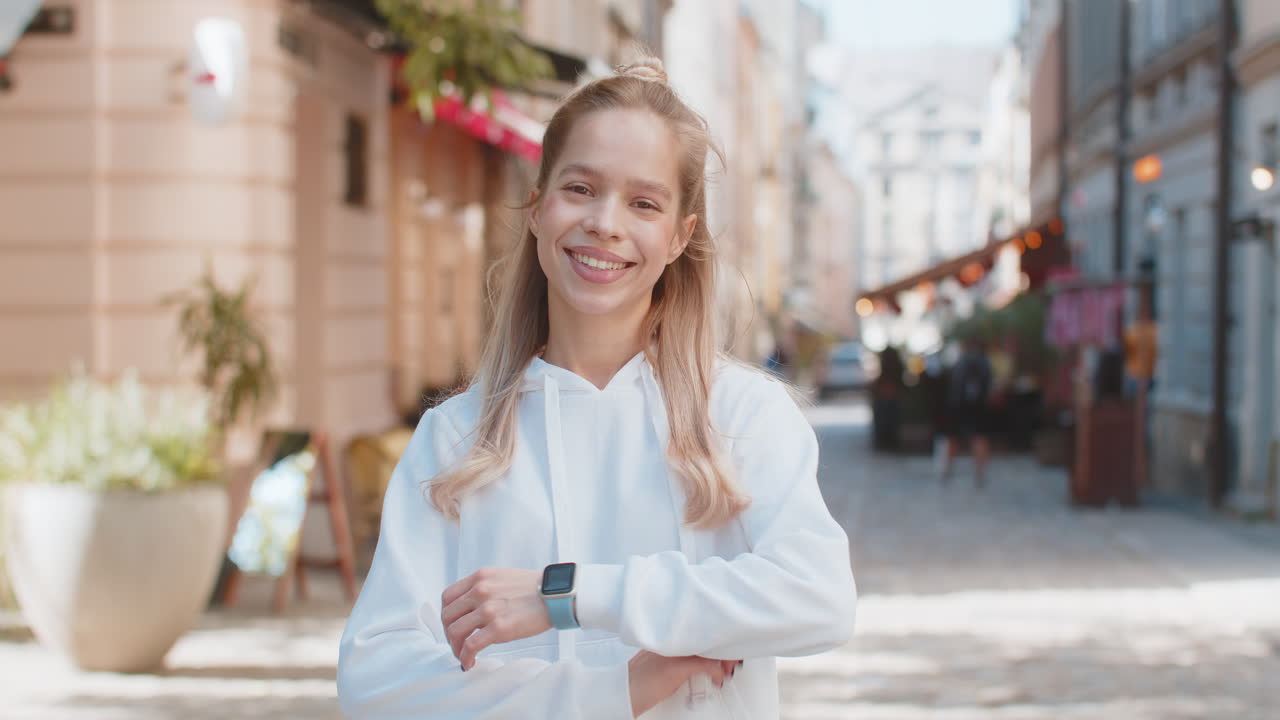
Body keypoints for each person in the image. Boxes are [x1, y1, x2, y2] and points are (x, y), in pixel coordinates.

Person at [337, 57, 857, 719]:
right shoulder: (455, 439)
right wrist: (618, 689)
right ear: (537, 206)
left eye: (644, 203)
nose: (605, 223)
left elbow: (819, 597)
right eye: (580, 188)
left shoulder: (742, 416)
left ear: (678, 237)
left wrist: (570, 595)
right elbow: (374, 681)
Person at [940, 338, 994, 487]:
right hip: (979, 407)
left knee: (953, 437)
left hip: (958, 406)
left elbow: (952, 385)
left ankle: (948, 469)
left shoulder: (961, 362)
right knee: (979, 437)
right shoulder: (984, 363)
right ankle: (979, 472)